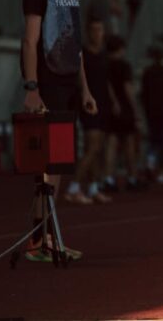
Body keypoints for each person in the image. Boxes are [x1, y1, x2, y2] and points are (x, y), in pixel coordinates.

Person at [20, 0, 97, 262]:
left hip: (68, 82)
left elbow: (76, 46)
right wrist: (32, 86)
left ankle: (50, 238)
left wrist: (86, 89)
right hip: (47, 81)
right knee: (47, 164)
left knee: (61, 162)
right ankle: (38, 241)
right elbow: (30, 40)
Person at [65, 17, 112, 205]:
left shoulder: (104, 54)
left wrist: (113, 101)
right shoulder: (82, 53)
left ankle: (92, 188)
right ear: (88, 32)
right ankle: (74, 187)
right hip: (88, 105)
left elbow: (107, 81)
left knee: (98, 149)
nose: (97, 33)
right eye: (93, 30)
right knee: (91, 148)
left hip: (104, 104)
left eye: (100, 29)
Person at [103, 34, 143, 192]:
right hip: (125, 108)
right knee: (129, 145)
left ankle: (107, 178)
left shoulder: (104, 64)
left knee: (111, 144)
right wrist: (135, 109)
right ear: (121, 49)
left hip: (110, 108)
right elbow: (127, 89)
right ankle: (132, 178)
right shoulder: (124, 65)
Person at [141, 43, 163, 182]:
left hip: (151, 111)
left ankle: (150, 163)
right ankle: (161, 171)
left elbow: (143, 93)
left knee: (153, 140)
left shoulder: (148, 72)